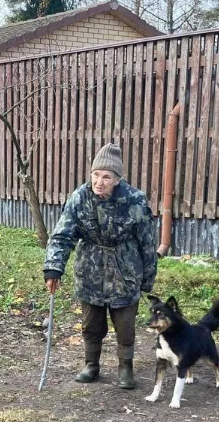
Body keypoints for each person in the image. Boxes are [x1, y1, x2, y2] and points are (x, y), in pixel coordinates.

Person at [43, 143, 157, 389]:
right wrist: (54, 267)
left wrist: (148, 278)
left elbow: (147, 242)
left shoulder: (135, 200)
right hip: (90, 269)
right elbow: (62, 235)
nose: (99, 181)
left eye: (106, 177)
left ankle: (125, 367)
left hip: (125, 270)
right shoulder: (79, 198)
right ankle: (91, 365)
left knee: (125, 325)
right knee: (91, 323)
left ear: (117, 179)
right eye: (96, 175)